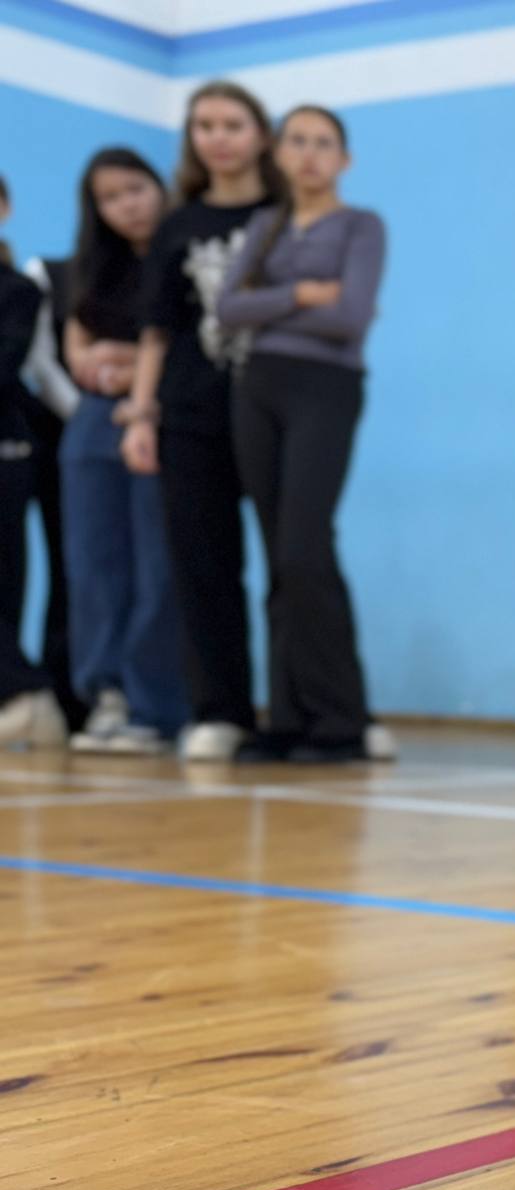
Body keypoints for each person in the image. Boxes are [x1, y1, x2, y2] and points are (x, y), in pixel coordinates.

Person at [118, 81, 289, 763]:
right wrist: (140, 414)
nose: (217, 137)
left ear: (260, 134)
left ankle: (305, 709)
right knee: (204, 565)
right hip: (191, 415)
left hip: (275, 407)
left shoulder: (286, 217)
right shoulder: (177, 226)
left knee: (293, 559)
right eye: (203, 125)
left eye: (232, 124)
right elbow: (157, 331)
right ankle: (221, 709)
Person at [212, 105, 388, 764]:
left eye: (324, 143)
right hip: (258, 388)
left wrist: (281, 304)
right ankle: (285, 719)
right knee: (276, 554)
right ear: (279, 154)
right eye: (298, 141)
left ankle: (341, 719)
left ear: (344, 160)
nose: (310, 154)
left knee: (304, 548)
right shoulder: (266, 226)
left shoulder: (362, 226)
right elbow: (228, 309)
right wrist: (301, 295)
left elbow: (352, 315)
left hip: (326, 389)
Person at [55, 150, 188, 755]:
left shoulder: (182, 257)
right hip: (91, 426)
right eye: (110, 198)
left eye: (135, 189)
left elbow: (179, 343)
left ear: (158, 187)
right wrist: (94, 362)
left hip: (161, 419)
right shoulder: (88, 271)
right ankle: (104, 692)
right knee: (93, 563)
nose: (126, 205)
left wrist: (134, 364)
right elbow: (77, 351)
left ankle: (154, 703)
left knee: (157, 564)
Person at [0, 173, 71, 748]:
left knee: (5, 573)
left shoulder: (17, 290)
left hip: (10, 444)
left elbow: (11, 364)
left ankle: (26, 695)